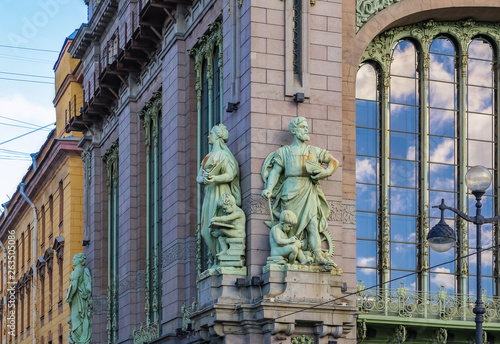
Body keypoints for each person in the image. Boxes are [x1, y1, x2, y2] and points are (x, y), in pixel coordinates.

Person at [262, 117, 339, 265]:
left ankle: (317, 256)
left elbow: (334, 162)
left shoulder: (314, 151)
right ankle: (292, 254)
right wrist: (269, 188)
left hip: (309, 189)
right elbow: (275, 172)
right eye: (302, 127)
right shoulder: (284, 152)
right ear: (293, 131)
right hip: (290, 191)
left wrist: (326, 172)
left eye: (306, 127)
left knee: (312, 225)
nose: (306, 129)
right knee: (289, 225)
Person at [196, 124, 241, 265]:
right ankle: (217, 258)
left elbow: (230, 175)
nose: (208, 136)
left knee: (219, 225)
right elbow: (198, 177)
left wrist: (215, 178)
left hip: (221, 193)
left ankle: (222, 259)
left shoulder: (224, 155)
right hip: (209, 194)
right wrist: (204, 179)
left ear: (217, 136)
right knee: (205, 230)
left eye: (211, 133)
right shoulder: (207, 157)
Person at [66, 253, 92, 344]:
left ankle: (80, 339)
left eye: (74, 259)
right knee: (78, 318)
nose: (73, 260)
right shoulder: (82, 271)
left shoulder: (77, 271)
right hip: (81, 299)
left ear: (79, 261)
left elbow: (74, 286)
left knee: (76, 319)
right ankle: (80, 338)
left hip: (77, 299)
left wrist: (68, 298)